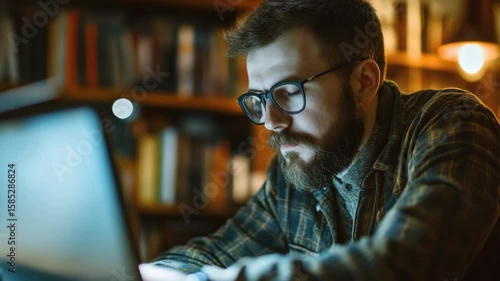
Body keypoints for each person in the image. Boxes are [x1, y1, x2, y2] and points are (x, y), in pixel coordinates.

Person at [150, 0, 500, 280]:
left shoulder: (452, 123)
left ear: (363, 82)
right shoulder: (296, 167)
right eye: (259, 98)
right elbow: (216, 252)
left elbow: (406, 262)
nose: (270, 121)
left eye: (288, 92)